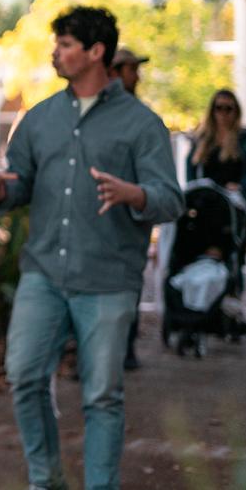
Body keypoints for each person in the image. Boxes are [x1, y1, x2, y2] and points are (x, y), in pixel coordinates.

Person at [0, 6, 183, 490]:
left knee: (102, 396)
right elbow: (19, 184)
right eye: (58, 43)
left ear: (96, 52)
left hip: (108, 280)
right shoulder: (40, 119)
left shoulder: (141, 124)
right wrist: (0, 189)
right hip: (44, 274)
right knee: (24, 377)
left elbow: (171, 198)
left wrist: (135, 194)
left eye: (67, 44)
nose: (57, 52)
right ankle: (46, 480)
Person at [106, 47, 151, 370]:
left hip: (132, 215)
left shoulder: (142, 117)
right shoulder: (97, 112)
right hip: (100, 214)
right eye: (132, 69)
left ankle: (127, 348)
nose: (137, 76)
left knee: (129, 281)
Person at [186, 90, 246, 211]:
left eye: (228, 108)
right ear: (212, 111)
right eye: (219, 108)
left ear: (236, 111)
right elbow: (190, 167)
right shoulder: (202, 137)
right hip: (206, 201)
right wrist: (195, 190)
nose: (223, 113)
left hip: (235, 201)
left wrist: (240, 185)